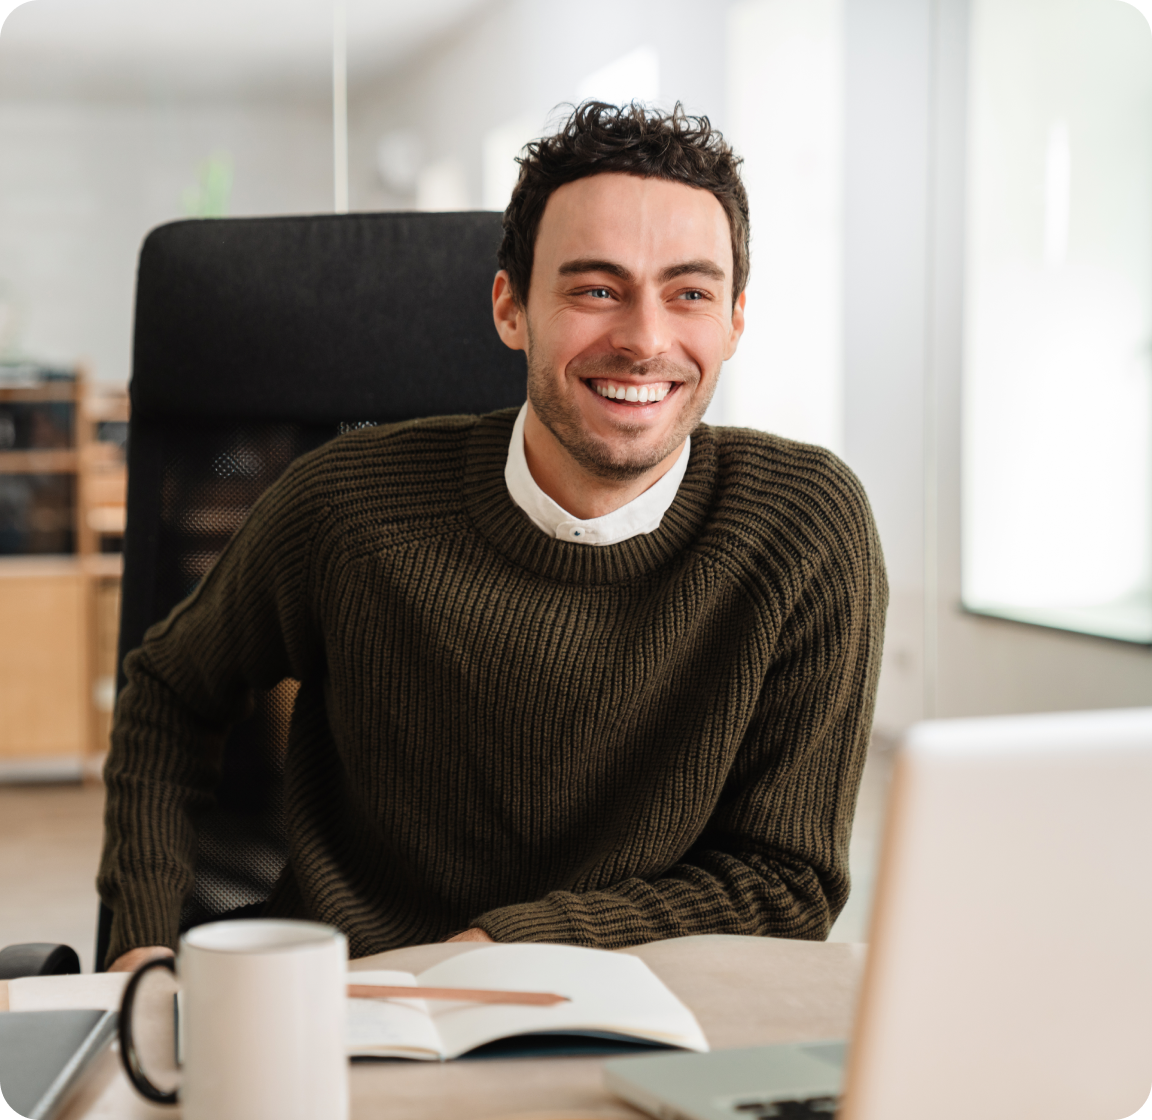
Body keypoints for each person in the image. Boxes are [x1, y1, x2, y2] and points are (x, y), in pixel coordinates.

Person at [99, 101, 887, 973]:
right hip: (349, 1004)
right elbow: (171, 688)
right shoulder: (345, 504)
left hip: (645, 1011)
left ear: (735, 321)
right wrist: (139, 945)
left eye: (690, 293)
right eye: (596, 289)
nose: (644, 339)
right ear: (511, 309)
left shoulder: (805, 528)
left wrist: (499, 953)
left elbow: (784, 881)